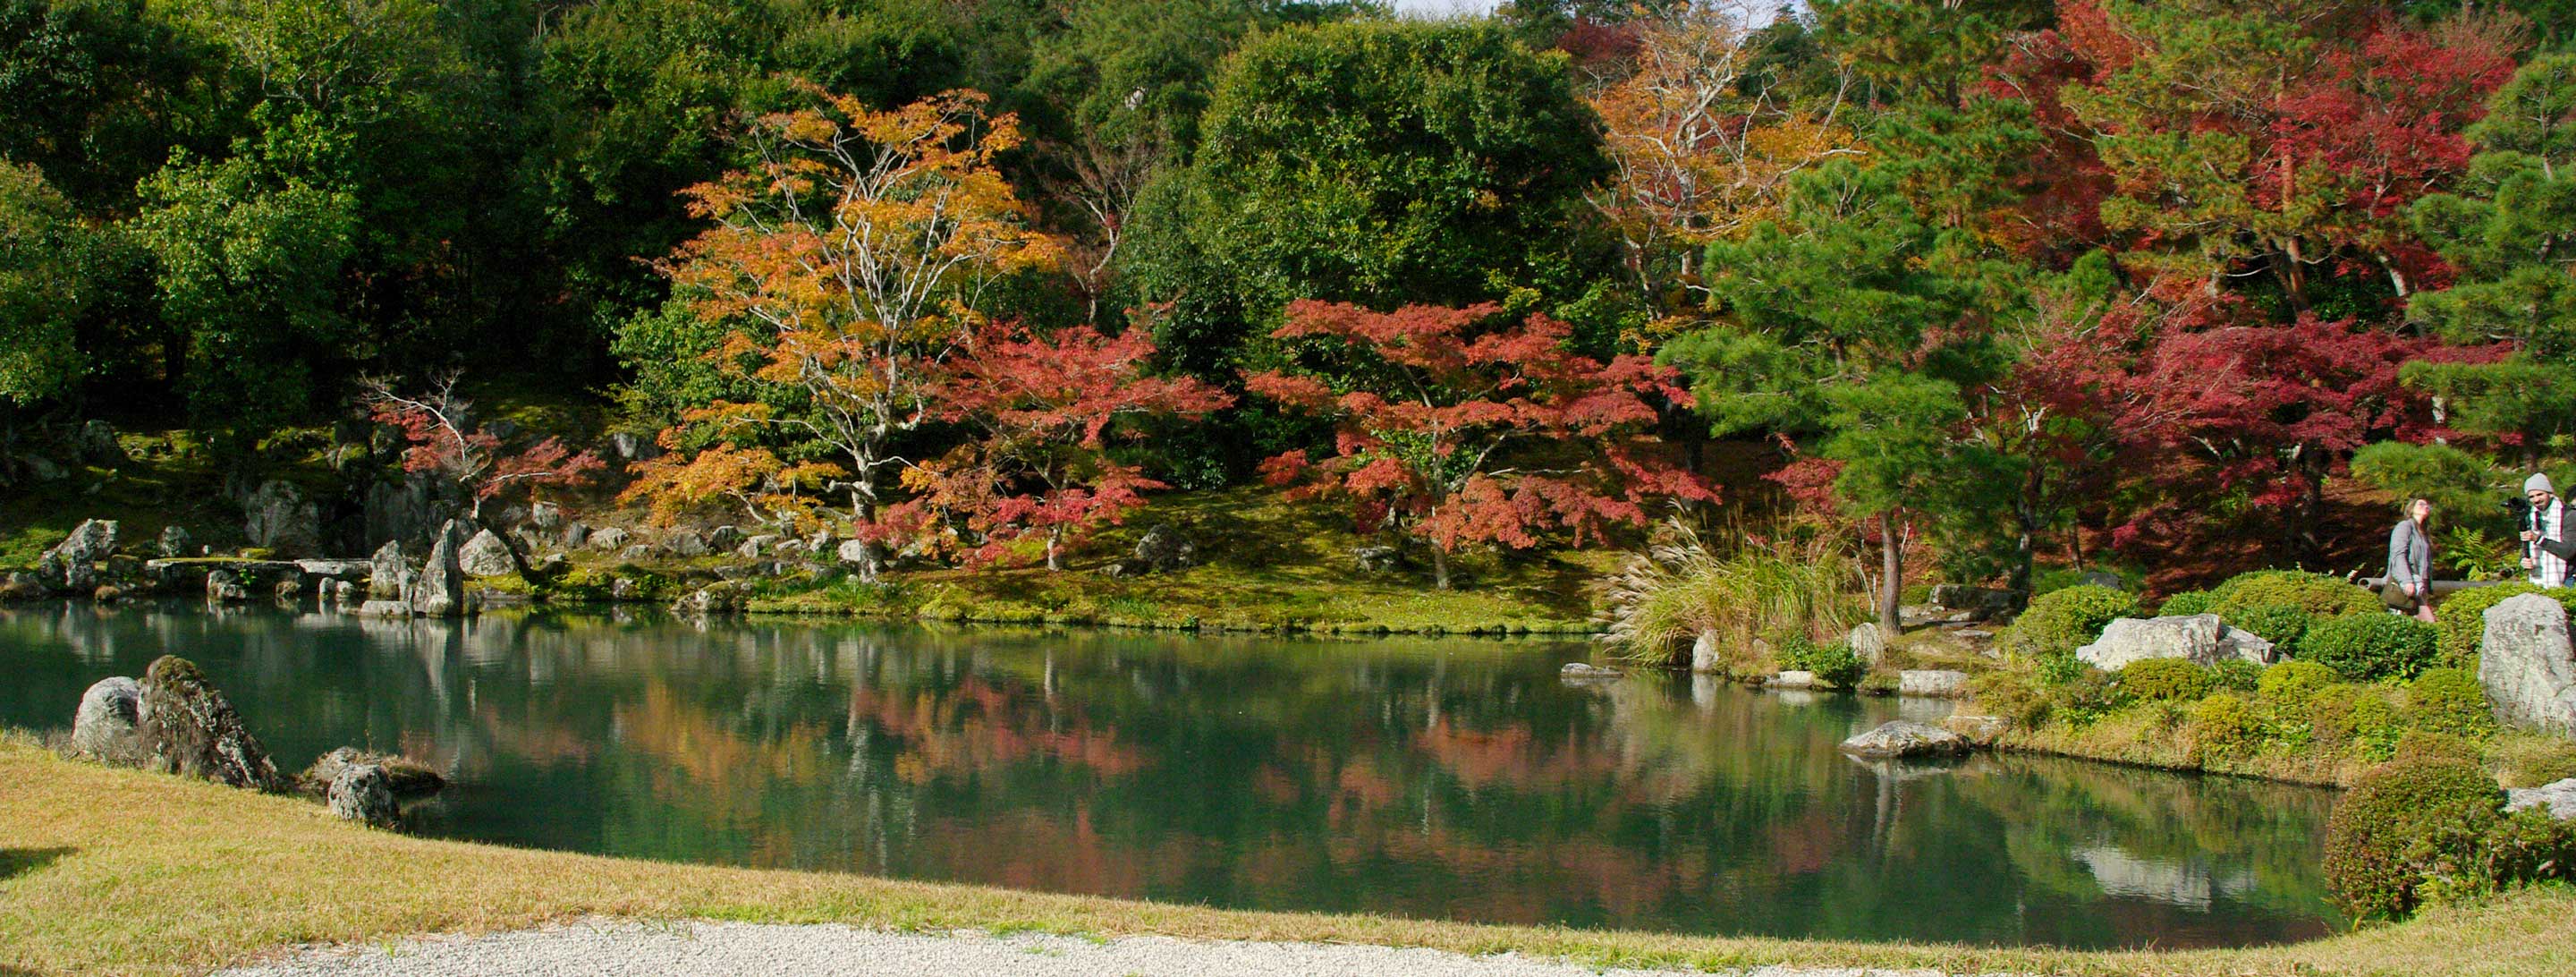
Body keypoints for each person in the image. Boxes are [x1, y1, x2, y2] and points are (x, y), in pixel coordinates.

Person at [2385, 497, 2437, 622]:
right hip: (2408, 583)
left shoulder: (2423, 533)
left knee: (2413, 623)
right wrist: (2407, 580)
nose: (2425, 506)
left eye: (2427, 505)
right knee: (2427, 622)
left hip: (2420, 585)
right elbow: (2398, 554)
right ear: (2411, 509)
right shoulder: (2405, 527)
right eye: (2421, 504)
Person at [2521, 473, 2576, 587]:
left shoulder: (2569, 515)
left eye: (2540, 494)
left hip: (2567, 579)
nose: (2536, 500)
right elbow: (2525, 548)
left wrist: (2539, 539)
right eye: (2532, 496)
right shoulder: (2529, 516)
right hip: (2537, 581)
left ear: (2550, 494)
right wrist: (2523, 560)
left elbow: (2569, 551)